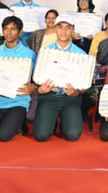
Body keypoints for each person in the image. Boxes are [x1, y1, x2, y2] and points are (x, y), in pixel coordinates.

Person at [0, 16, 37, 142]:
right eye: (6, 29)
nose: (9, 32)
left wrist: (33, 87)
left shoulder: (29, 54)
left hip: (18, 101)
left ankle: (20, 122)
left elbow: (34, 79)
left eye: (13, 29)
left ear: (20, 32)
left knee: (3, 136)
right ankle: (7, 122)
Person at [33, 14, 89, 142]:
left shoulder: (81, 55)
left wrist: (77, 92)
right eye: (60, 27)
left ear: (73, 30)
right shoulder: (45, 52)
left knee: (73, 135)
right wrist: (39, 89)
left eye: (68, 28)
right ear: (55, 29)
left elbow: (85, 85)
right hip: (49, 97)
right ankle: (51, 122)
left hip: (70, 99)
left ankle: (64, 122)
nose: (64, 31)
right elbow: (36, 78)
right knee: (41, 135)